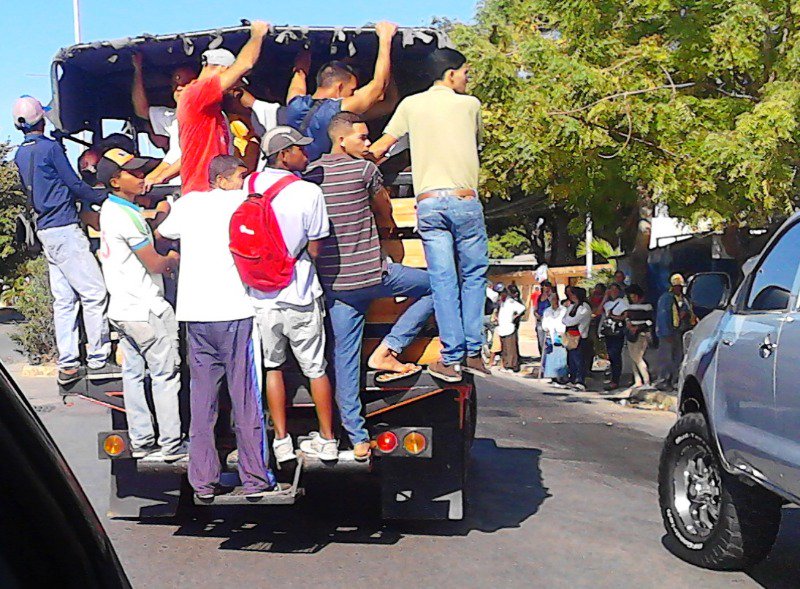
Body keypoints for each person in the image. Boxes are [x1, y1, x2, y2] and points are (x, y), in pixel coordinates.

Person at [304, 112, 434, 460]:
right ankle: (389, 348)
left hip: (336, 287)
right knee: (439, 286)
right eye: (362, 138)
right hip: (374, 277)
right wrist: (387, 226)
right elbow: (384, 209)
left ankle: (358, 438)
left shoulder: (311, 176)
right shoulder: (364, 171)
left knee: (344, 362)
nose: (367, 143)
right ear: (341, 139)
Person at [156, 155, 281, 499]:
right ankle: (255, 477)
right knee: (245, 400)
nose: (245, 180)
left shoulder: (189, 204)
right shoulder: (241, 201)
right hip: (235, 311)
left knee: (202, 401)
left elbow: (163, 233)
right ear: (224, 179)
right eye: (240, 175)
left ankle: (203, 480)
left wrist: (166, 207)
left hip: (195, 315)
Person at [370, 48, 489, 381]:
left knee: (443, 281)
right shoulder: (471, 105)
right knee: (474, 276)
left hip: (429, 205)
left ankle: (450, 357)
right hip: (465, 201)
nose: (467, 79)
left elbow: (380, 149)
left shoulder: (410, 105)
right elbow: (476, 142)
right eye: (465, 72)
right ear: (450, 75)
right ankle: (474, 353)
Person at [244, 127, 337, 463]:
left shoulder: (248, 185)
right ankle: (327, 438)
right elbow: (315, 247)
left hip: (260, 295)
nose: (306, 153)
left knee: (273, 367)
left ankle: (281, 440)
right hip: (298, 291)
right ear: (283, 155)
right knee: (315, 368)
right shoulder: (308, 192)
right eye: (299, 149)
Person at [12, 95, 118, 385]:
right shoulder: (49, 148)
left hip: (45, 230)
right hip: (64, 228)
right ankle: (98, 358)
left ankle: (68, 361)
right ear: (41, 119)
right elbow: (72, 184)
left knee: (65, 300)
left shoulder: (21, 154)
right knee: (94, 292)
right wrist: (103, 195)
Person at [95, 148, 185, 461]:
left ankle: (142, 440)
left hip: (122, 309)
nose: (142, 175)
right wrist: (172, 258)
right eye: (133, 172)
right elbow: (154, 263)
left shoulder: (112, 209)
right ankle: (171, 444)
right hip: (146, 309)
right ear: (116, 181)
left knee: (133, 376)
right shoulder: (126, 216)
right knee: (164, 376)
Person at [282, 22, 397, 162]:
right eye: (352, 90)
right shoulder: (337, 109)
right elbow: (379, 86)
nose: (353, 94)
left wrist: (307, 47)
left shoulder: (294, 103)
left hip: (299, 176)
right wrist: (385, 39)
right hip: (326, 177)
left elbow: (299, 74)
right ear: (340, 87)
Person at [177, 20, 270, 194]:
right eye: (235, 79)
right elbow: (245, 64)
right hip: (204, 192)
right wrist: (257, 34)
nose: (235, 87)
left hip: (205, 190)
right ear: (222, 69)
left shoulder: (206, 105)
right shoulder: (198, 93)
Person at [131, 53, 197, 188]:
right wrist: (137, 70)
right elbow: (141, 110)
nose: (178, 88)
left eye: (185, 83)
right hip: (177, 189)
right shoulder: (173, 117)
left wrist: (160, 177)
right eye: (175, 84)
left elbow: (192, 156)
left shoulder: (208, 117)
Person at [656, 273, 696, 390]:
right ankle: (663, 381)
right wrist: (666, 332)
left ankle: (674, 380)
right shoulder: (666, 298)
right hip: (668, 333)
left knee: (678, 357)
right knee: (666, 358)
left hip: (679, 332)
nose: (679, 288)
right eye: (677, 286)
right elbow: (663, 316)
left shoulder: (684, 299)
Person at [562, 286, 592, 391]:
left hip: (580, 336)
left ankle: (580, 381)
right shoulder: (572, 306)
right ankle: (572, 378)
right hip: (570, 335)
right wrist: (567, 320)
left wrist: (567, 320)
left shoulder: (584, 307)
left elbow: (573, 321)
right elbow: (564, 319)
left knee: (580, 360)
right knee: (571, 359)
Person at [600, 283, 629, 391]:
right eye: (611, 290)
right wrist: (605, 298)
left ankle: (615, 380)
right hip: (608, 332)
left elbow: (625, 316)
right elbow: (598, 312)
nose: (613, 292)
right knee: (610, 355)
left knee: (615, 354)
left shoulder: (622, 302)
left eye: (615, 290)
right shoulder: (607, 304)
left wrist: (613, 316)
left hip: (617, 331)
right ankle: (612, 377)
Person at [625, 284, 654, 388]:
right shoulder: (629, 306)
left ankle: (646, 380)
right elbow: (627, 317)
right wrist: (628, 323)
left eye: (634, 297)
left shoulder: (647, 307)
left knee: (638, 357)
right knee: (633, 358)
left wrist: (638, 327)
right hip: (630, 333)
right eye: (631, 297)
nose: (633, 299)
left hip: (641, 333)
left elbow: (650, 321)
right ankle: (637, 380)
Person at [496, 284, 526, 372]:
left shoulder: (511, 302)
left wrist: (515, 317)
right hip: (502, 328)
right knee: (504, 348)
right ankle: (505, 364)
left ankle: (512, 366)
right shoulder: (502, 302)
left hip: (509, 327)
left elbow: (522, 308)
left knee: (511, 348)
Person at [541, 293, 568, 382]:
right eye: (551, 299)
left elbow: (565, 321)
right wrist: (546, 328)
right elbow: (544, 323)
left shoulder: (563, 310)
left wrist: (561, 331)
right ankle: (552, 375)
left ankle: (562, 375)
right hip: (551, 334)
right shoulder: (547, 311)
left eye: (555, 299)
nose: (553, 301)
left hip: (560, 333)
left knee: (561, 354)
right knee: (551, 354)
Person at [534, 280, 553, 360]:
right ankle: (543, 357)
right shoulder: (539, 297)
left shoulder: (551, 297)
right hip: (539, 320)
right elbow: (536, 308)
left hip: (548, 321)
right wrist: (535, 313)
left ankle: (548, 357)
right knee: (541, 341)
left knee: (548, 340)